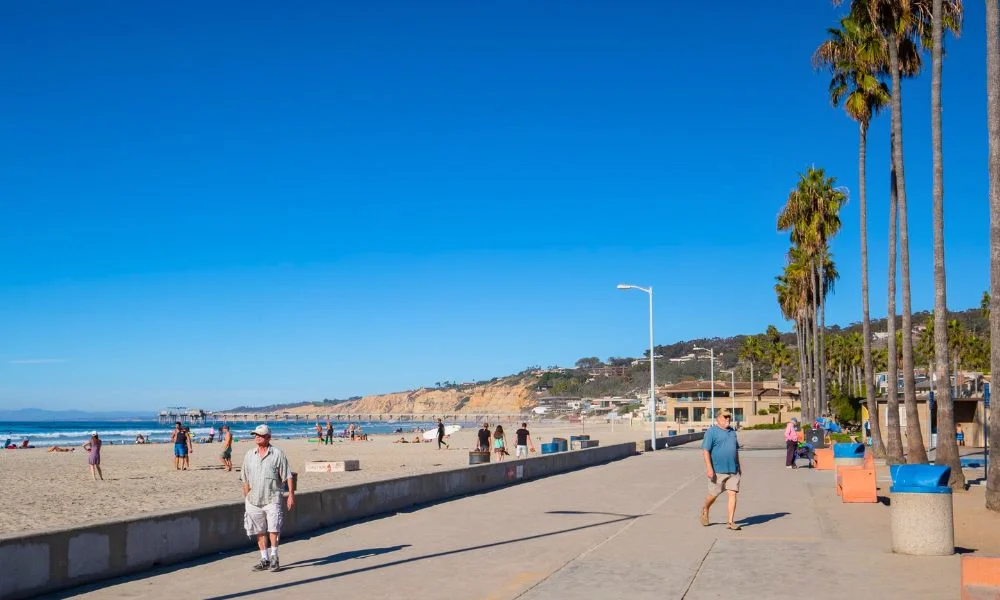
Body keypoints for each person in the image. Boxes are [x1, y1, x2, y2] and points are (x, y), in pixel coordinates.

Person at [241, 424, 294, 573]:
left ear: (268, 437)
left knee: (274, 529)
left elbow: (288, 475)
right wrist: (247, 495)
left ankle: (274, 557)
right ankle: (264, 559)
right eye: (255, 435)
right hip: (253, 500)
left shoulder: (277, 454)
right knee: (259, 530)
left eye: (260, 435)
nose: (257, 437)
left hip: (272, 498)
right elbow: (244, 477)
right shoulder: (249, 454)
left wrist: (290, 495)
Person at [700, 409, 742, 531]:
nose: (728, 419)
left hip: (733, 470)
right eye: (725, 417)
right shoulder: (711, 432)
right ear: (718, 418)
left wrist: (739, 466)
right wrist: (709, 467)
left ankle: (730, 521)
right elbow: (705, 450)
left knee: (732, 493)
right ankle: (705, 508)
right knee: (713, 495)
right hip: (717, 470)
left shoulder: (732, 432)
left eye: (729, 417)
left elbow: (735, 450)